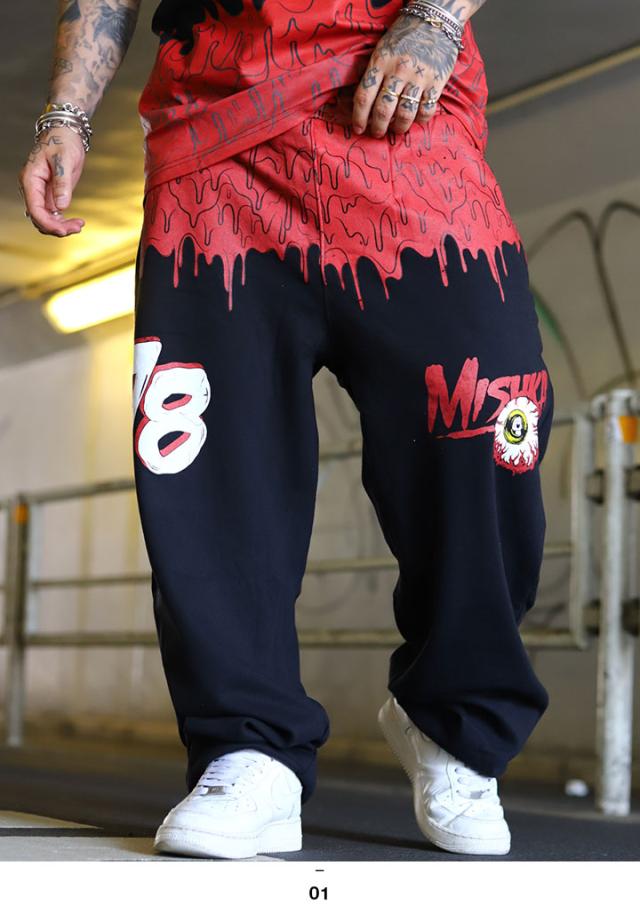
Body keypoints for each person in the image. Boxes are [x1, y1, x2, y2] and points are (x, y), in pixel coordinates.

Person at [18, 0, 555, 860]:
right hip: (213, 145)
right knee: (206, 460)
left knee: (492, 413)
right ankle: (247, 745)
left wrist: (437, 17)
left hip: (398, 111)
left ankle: (454, 720)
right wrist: (67, 114)